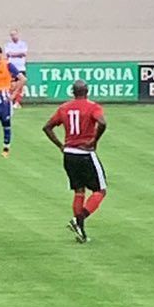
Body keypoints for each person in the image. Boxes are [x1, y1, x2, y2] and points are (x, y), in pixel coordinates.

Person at [43, 80, 108, 242]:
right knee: (100, 190)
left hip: (69, 154)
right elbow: (102, 123)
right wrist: (94, 141)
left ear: (73, 92)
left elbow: (47, 127)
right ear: (87, 91)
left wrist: (60, 145)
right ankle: (79, 220)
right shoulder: (93, 107)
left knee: (79, 191)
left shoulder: (64, 108)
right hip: (85, 153)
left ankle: (81, 232)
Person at [5, 31, 29, 98]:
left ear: (17, 35)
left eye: (14, 34)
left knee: (20, 85)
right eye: (12, 35)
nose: (13, 36)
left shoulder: (23, 44)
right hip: (12, 68)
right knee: (12, 86)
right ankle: (11, 100)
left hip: (21, 68)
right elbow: (8, 54)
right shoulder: (8, 45)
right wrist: (19, 54)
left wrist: (13, 54)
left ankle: (17, 102)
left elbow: (24, 54)